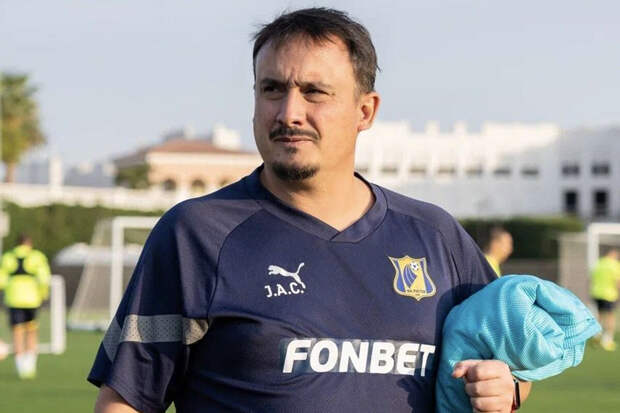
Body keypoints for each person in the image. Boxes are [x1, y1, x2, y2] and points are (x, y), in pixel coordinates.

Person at [90, 8, 530, 412]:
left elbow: (511, 367)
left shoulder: (435, 235)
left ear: (365, 111)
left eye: (314, 92)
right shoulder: (196, 234)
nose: (289, 113)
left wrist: (504, 387)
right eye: (272, 90)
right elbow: (126, 400)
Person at [0, 234, 51, 379]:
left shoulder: (7, 257)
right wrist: (43, 294)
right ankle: (30, 365)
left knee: (17, 332)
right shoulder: (37, 256)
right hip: (32, 300)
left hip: (14, 299)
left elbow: (1, 280)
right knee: (31, 330)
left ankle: (20, 367)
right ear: (29, 243)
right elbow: (43, 278)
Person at [590, 248, 620, 351]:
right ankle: (607, 340)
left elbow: (592, 278)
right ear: (613, 254)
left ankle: (596, 335)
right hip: (609, 295)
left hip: (597, 293)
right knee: (610, 317)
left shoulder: (599, 263)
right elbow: (617, 281)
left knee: (599, 315)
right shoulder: (614, 265)